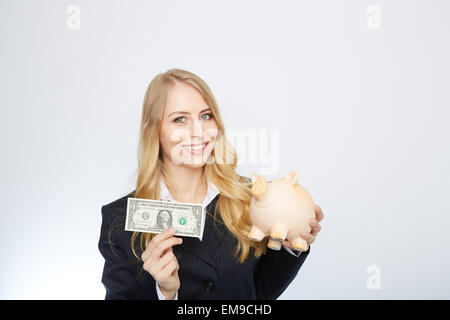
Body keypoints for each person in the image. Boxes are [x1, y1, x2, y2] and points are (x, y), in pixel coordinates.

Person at [98, 68, 324, 300]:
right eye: (180, 119)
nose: (199, 131)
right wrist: (164, 293)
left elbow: (260, 292)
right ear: (154, 130)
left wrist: (289, 244)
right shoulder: (118, 220)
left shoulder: (250, 199)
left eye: (206, 116)